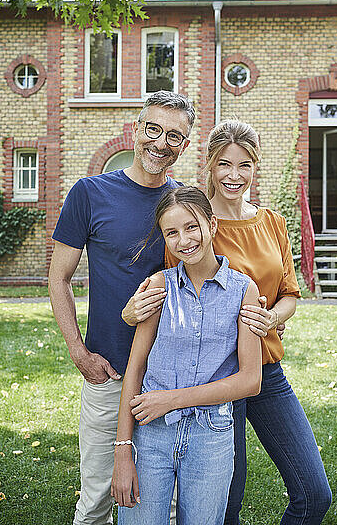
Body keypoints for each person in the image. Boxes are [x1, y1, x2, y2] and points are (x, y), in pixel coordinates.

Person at [122, 119, 332, 525]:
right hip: (212, 381)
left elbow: (289, 294)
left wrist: (269, 318)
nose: (234, 176)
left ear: (256, 167)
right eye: (224, 165)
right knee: (222, 507)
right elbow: (173, 300)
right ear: (210, 167)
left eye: (244, 165)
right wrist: (129, 313)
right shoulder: (194, 224)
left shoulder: (271, 222)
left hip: (266, 373)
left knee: (313, 493)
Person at [48, 90, 195, 525]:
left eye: (174, 136)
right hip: (108, 369)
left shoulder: (184, 204)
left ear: (184, 147)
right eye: (153, 129)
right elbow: (58, 278)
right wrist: (79, 352)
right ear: (136, 129)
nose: (160, 142)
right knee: (95, 500)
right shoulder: (90, 193)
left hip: (166, 377)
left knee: (158, 505)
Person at [111, 186, 262, 525]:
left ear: (212, 225)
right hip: (151, 436)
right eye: (172, 232)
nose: (184, 240)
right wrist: (123, 449)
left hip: (212, 435)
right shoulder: (157, 287)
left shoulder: (244, 291)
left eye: (192, 227)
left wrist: (172, 400)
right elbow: (135, 370)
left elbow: (250, 380)